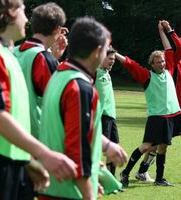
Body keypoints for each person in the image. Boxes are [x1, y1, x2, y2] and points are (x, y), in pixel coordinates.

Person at [0, 0, 77, 199]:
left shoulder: (7, 55)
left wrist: (26, 160)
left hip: (10, 165)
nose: (27, 18)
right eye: (22, 10)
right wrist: (43, 154)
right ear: (9, 13)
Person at [38, 17, 127, 200]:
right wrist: (88, 193)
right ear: (97, 51)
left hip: (51, 188)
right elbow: (77, 151)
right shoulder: (79, 87)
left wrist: (106, 147)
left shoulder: (59, 75)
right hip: (68, 193)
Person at [137, 4, 181, 184]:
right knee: (158, 145)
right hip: (168, 109)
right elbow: (170, 45)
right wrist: (163, 31)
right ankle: (142, 171)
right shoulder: (172, 61)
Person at [116, 50, 181, 187]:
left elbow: (176, 50)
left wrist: (167, 29)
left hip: (169, 117)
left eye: (162, 61)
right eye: (158, 62)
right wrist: (116, 54)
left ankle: (159, 179)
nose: (161, 64)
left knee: (163, 148)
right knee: (146, 146)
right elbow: (131, 65)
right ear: (152, 64)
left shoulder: (169, 71)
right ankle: (125, 173)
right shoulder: (147, 76)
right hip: (156, 118)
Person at [14, 2, 67, 139]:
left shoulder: (13, 51)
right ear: (57, 29)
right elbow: (60, 104)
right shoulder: (42, 58)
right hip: (36, 138)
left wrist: (54, 57)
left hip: (10, 135)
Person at [95, 47, 120, 176]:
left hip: (111, 117)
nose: (112, 61)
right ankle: (94, 177)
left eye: (114, 59)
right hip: (101, 117)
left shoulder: (106, 73)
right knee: (99, 149)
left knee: (114, 148)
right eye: (110, 59)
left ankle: (111, 178)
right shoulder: (95, 73)